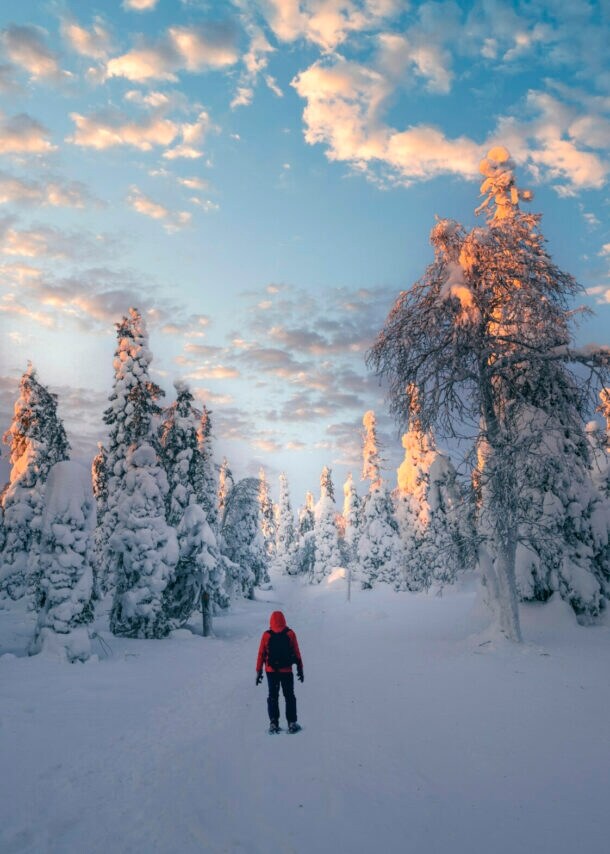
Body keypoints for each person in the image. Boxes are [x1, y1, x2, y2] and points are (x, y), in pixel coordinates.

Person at [256, 610, 304, 733]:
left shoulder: (266, 635)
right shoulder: (290, 634)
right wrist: (300, 668)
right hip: (286, 670)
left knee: (273, 696)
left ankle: (273, 723)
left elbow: (261, 654)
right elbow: (297, 652)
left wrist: (258, 671)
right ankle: (292, 723)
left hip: (271, 671)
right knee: (289, 696)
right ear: (284, 620)